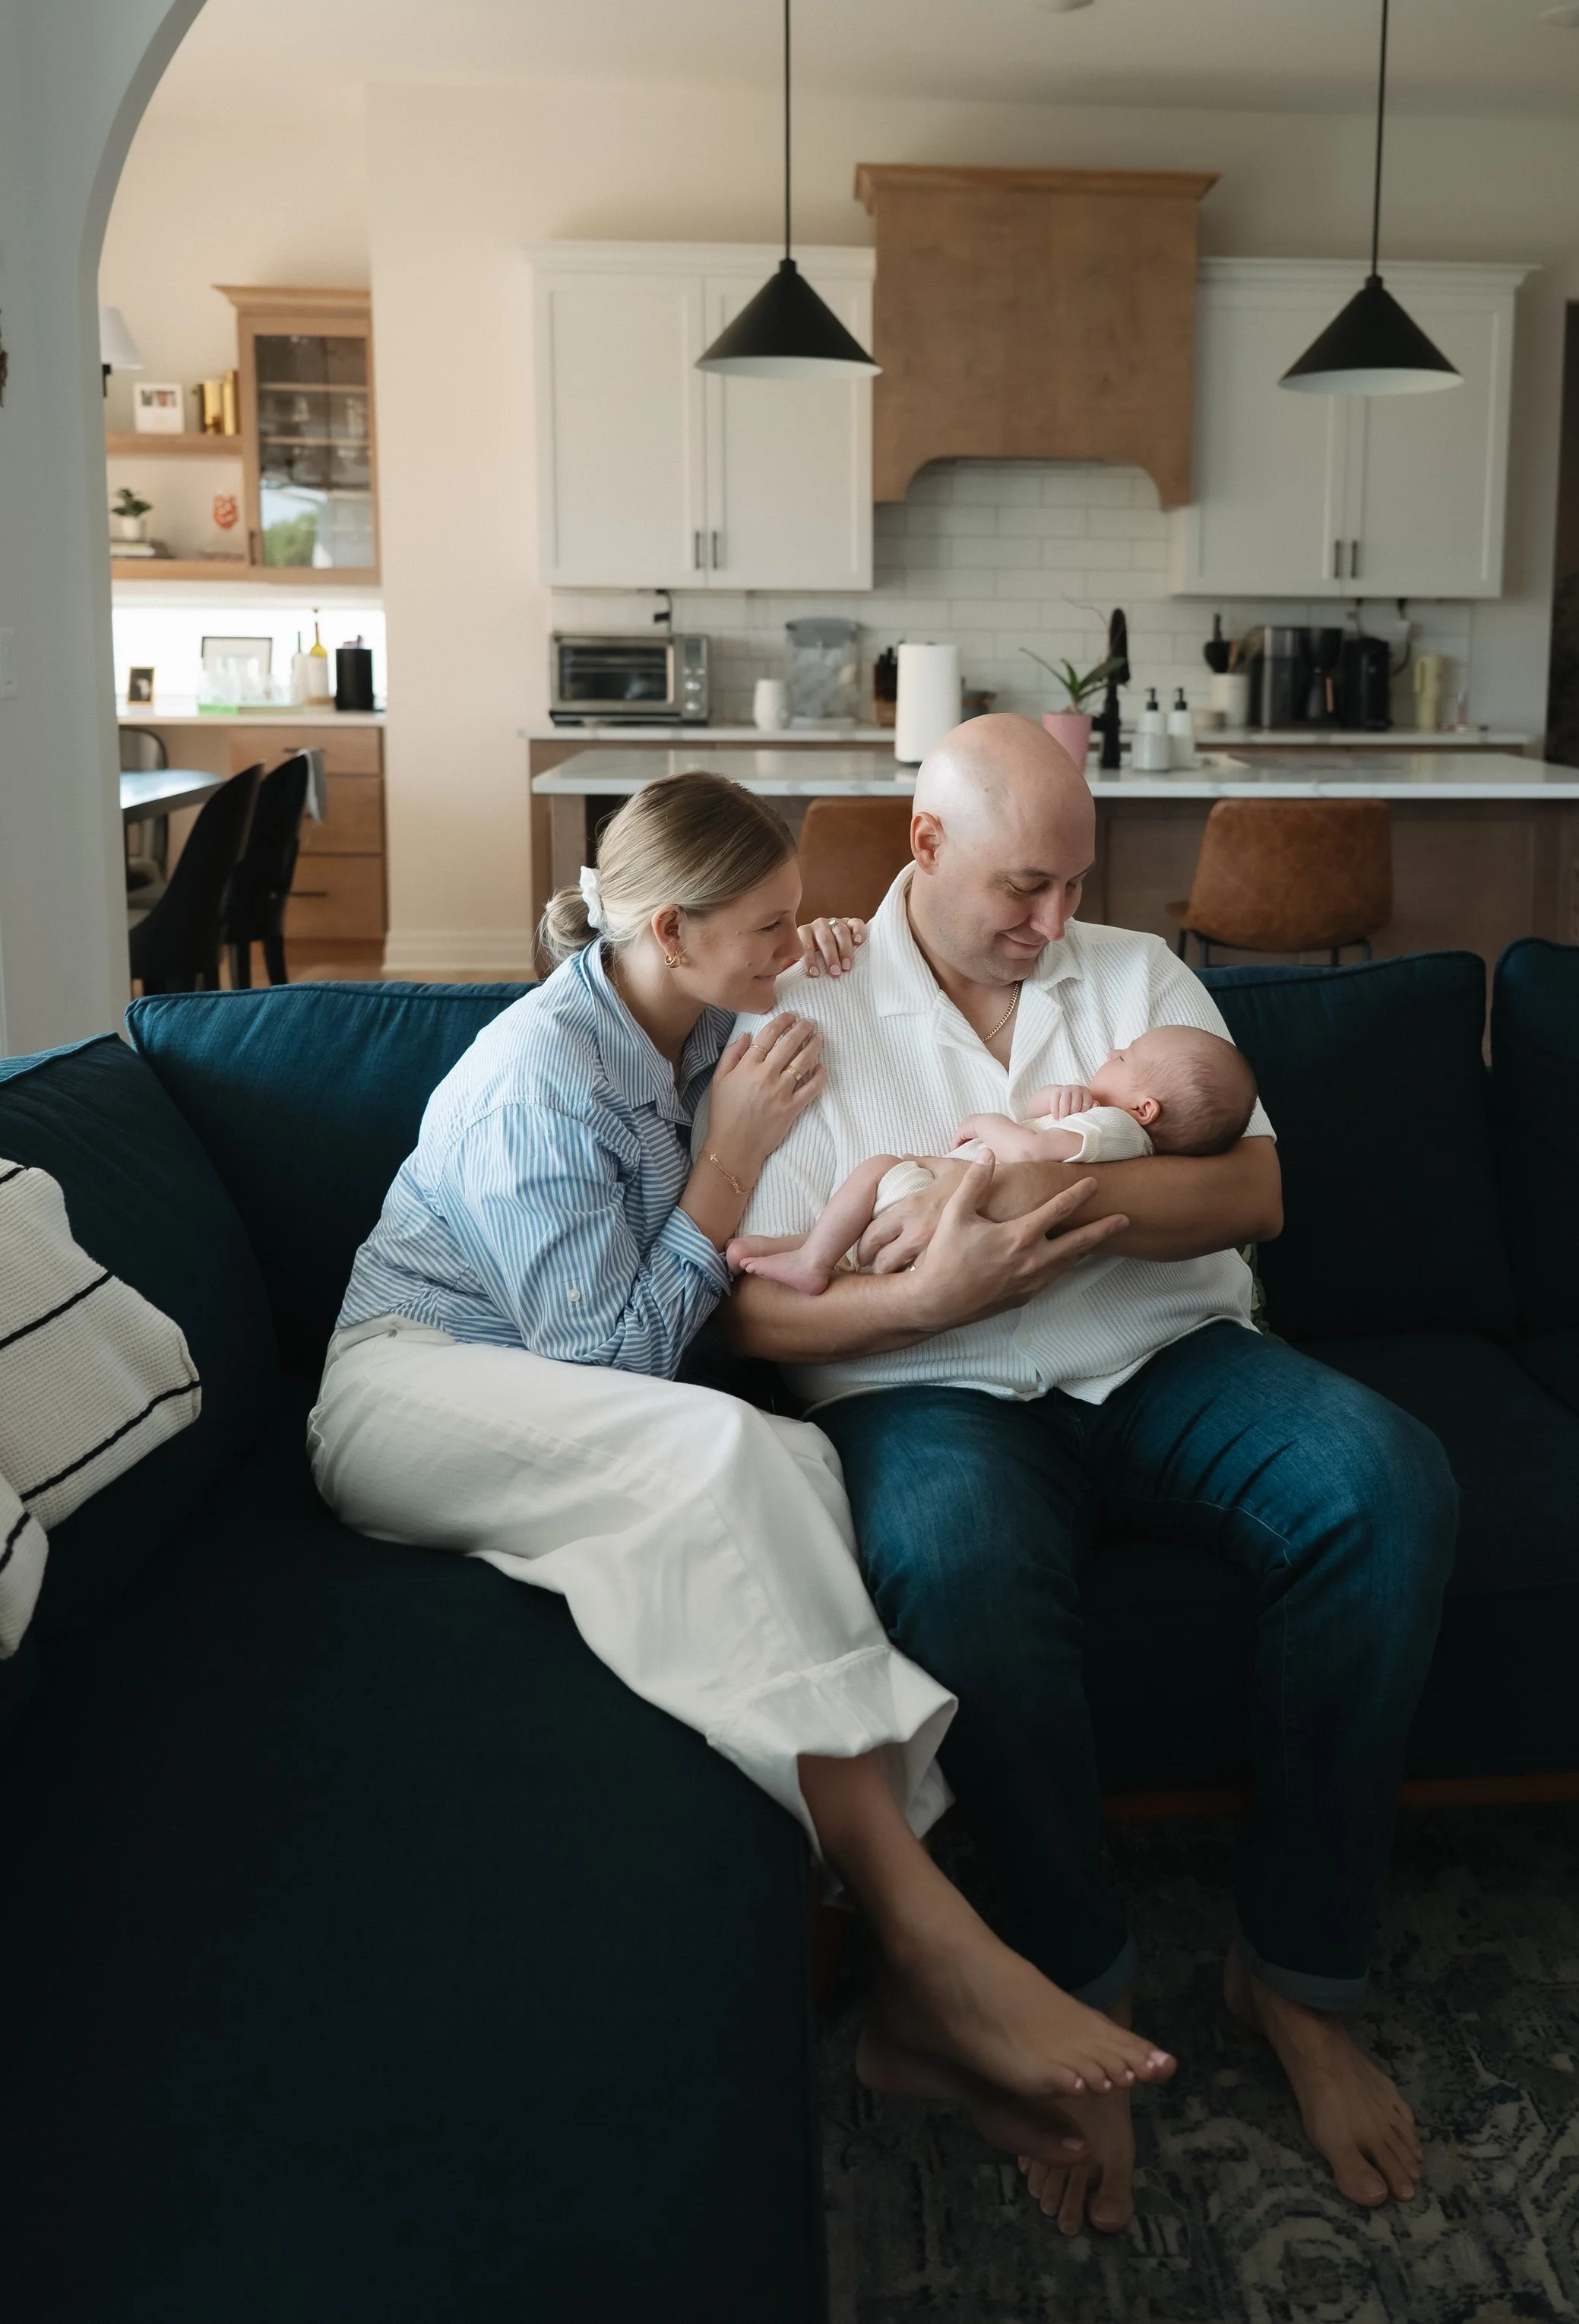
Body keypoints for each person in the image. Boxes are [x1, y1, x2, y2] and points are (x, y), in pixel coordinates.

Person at [307, 768, 1173, 2162]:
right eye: (772, 927)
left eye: (797, 921)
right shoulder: (543, 1076)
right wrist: (727, 1166)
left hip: (539, 1393)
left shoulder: (703, 1017)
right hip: (412, 1387)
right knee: (718, 1443)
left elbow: (775, 1017)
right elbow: (607, 1367)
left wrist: (795, 961)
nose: (804, 946)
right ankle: (929, 1938)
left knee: (803, 1469)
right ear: (665, 930)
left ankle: (901, 1993)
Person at [726, 717, 1459, 2239]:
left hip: (1163, 1364)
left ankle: (1294, 1974)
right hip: (926, 1389)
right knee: (954, 1560)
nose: (1053, 923)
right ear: (922, 850)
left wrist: (1083, 1195)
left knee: (1385, 1483)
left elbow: (1253, 1186)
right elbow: (745, 1301)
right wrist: (924, 1305)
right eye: (1022, 886)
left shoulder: (1134, 978)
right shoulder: (803, 999)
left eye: (1073, 884)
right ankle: (1071, 1993)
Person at [732, 1025, 1258, 1295]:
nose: (1113, 1051)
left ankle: (811, 1260)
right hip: (953, 1220)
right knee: (872, 1221)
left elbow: (1028, 1151)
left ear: (1145, 1109)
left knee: (876, 1170)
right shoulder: (1108, 1129)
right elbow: (1040, 1127)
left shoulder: (1116, 1128)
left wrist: (986, 1124)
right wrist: (1055, 1098)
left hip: (955, 1204)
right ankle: (804, 1250)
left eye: (1124, 1058)